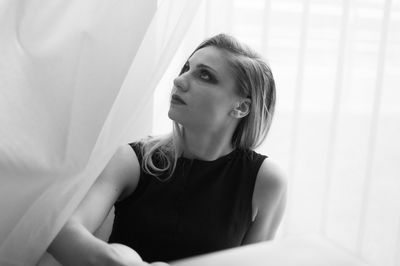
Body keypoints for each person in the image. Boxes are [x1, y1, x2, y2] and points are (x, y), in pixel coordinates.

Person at [48, 33, 287, 266]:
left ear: (241, 107)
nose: (179, 81)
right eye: (186, 69)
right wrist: (119, 260)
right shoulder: (132, 160)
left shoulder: (265, 181)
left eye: (205, 75)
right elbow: (61, 231)